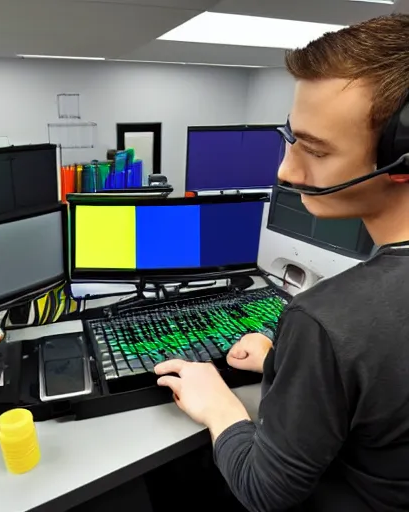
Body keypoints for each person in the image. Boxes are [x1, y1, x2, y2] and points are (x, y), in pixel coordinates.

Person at [154, 14, 409, 512]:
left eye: (315, 149)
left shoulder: (327, 321)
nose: (286, 169)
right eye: (292, 137)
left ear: (401, 161)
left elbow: (264, 491)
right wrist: (282, 362)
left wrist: (218, 405)